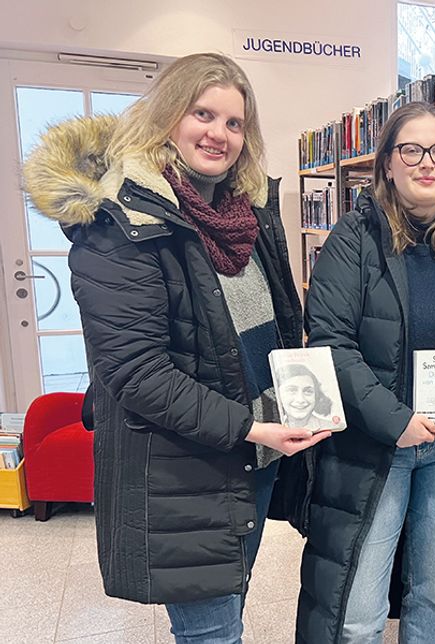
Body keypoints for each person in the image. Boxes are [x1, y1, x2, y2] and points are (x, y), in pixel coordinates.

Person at [22, 53, 329, 643]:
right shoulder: (119, 228)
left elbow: (273, 327)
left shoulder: (249, 217)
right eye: (202, 113)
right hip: (187, 468)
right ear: (167, 117)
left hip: (253, 455)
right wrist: (252, 427)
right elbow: (137, 374)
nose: (218, 133)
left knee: (226, 615)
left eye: (234, 123)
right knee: (211, 633)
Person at [294, 101, 435, 643]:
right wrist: (394, 419)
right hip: (375, 448)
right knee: (357, 610)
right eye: (412, 150)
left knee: (433, 598)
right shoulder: (351, 241)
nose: (427, 163)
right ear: (388, 165)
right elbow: (330, 342)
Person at [276, 363, 333, 430]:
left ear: (316, 396)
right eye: (291, 390)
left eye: (308, 391)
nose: (300, 400)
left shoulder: (332, 427)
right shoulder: (270, 430)